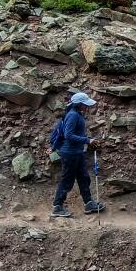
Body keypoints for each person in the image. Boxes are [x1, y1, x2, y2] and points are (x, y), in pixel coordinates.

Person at [51, 90, 106, 218]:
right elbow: (68, 135)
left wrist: (88, 140)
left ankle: (88, 203)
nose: (88, 106)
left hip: (77, 152)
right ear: (79, 104)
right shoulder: (73, 115)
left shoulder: (78, 114)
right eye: (85, 104)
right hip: (69, 153)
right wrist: (88, 140)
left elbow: (75, 134)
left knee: (83, 178)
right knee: (67, 180)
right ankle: (57, 207)